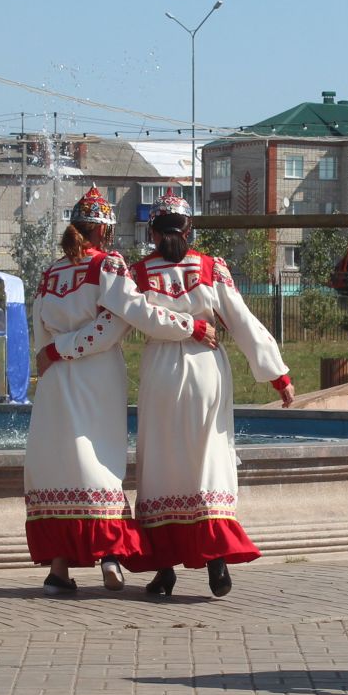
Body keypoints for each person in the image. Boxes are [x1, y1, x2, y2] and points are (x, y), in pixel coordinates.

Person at [25, 186, 220, 594]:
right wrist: (191, 326)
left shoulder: (51, 273)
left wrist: (53, 353)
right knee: (98, 458)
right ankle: (110, 555)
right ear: (105, 233)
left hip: (56, 378)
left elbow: (39, 332)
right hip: (95, 373)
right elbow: (122, 321)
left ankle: (58, 570)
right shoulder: (108, 266)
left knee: (60, 460)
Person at [125, 192, 296, 598]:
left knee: (161, 462)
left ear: (153, 231)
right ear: (189, 230)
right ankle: (216, 561)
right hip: (205, 367)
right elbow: (241, 320)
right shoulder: (209, 267)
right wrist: (277, 374)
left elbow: (129, 317)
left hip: (160, 370)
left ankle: (164, 569)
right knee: (209, 458)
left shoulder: (139, 273)